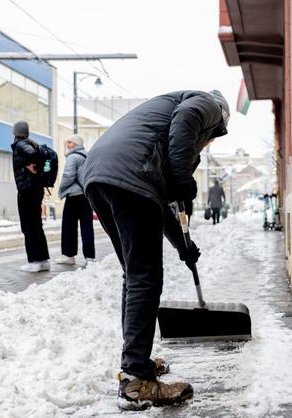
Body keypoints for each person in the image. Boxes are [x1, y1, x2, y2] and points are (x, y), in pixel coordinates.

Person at [80, 90, 230, 410]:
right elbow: (187, 121)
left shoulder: (155, 136)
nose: (206, 145)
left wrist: (183, 246)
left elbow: (162, 205)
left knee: (135, 276)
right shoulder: (206, 103)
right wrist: (183, 180)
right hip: (126, 176)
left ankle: (136, 364)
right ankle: (136, 382)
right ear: (218, 121)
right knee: (145, 278)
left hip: (99, 174)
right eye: (210, 138)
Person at [11, 120, 50, 273]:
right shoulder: (31, 142)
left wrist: (26, 163)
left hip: (27, 190)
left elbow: (32, 155)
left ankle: (34, 261)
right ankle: (43, 260)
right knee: (36, 225)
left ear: (16, 132)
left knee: (28, 226)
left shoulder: (21, 144)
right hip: (35, 189)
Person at [56, 134, 95, 265]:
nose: (68, 145)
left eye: (71, 143)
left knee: (69, 226)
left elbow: (68, 175)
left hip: (73, 196)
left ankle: (69, 255)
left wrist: (61, 190)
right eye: (68, 142)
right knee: (87, 226)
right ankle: (90, 257)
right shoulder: (88, 155)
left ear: (77, 144)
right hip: (85, 195)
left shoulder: (72, 157)